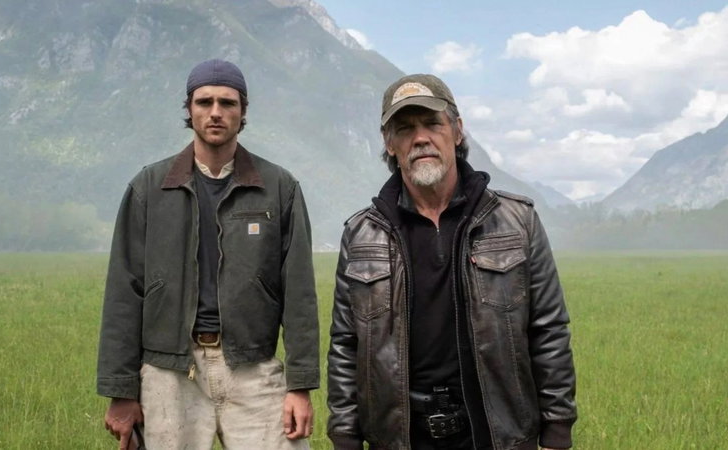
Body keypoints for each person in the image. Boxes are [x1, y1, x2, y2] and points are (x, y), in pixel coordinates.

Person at [327, 74, 576, 450]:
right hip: (400, 438)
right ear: (389, 143)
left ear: (457, 131)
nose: (420, 138)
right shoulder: (361, 234)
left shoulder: (517, 221)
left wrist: (557, 429)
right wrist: (345, 435)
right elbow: (346, 344)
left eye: (432, 123)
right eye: (405, 129)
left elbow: (548, 330)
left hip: (497, 436)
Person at [97, 59, 319, 449]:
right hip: (169, 372)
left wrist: (299, 387)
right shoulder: (149, 188)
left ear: (243, 111)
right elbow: (123, 292)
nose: (215, 112)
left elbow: (299, 292)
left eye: (227, 103)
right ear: (189, 108)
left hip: (253, 368)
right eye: (204, 102)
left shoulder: (279, 188)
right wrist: (121, 391)